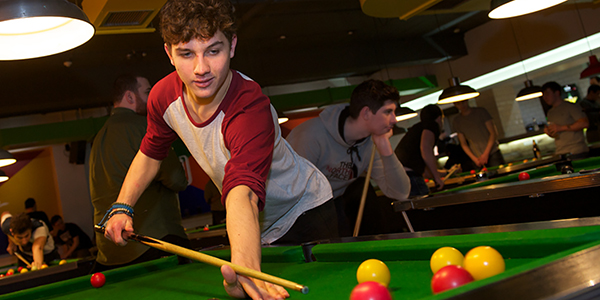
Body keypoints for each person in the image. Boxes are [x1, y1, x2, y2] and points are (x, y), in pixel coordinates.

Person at [101, 1, 333, 299]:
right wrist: (123, 205)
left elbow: (243, 190)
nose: (201, 69)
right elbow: (150, 152)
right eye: (186, 53)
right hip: (251, 223)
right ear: (169, 53)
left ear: (232, 45)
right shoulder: (162, 97)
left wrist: (246, 269)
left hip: (302, 209)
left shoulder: (249, 106)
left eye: (213, 50)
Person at [89, 74, 191, 271]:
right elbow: (177, 180)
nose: (152, 96)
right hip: (154, 242)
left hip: (110, 255)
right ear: (130, 97)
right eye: (147, 91)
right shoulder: (146, 127)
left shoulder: (98, 137)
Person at [286, 79, 411, 236]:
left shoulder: (371, 142)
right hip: (296, 212)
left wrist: (385, 146)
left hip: (334, 204)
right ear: (366, 113)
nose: (394, 120)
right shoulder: (310, 135)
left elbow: (399, 193)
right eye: (388, 112)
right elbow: (292, 191)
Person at [395, 105, 445, 196]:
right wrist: (437, 178)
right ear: (439, 118)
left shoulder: (417, 128)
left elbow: (425, 171)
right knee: (425, 206)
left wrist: (441, 173)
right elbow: (426, 149)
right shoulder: (432, 125)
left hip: (398, 176)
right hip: (410, 176)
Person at [542, 81, 589, 157]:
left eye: (547, 94)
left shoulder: (571, 106)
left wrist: (560, 128)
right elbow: (556, 133)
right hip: (561, 152)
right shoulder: (550, 113)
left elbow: (584, 123)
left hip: (577, 151)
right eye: (543, 95)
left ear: (557, 93)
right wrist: (550, 132)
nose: (545, 98)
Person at [452, 100, 505, 168]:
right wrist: (474, 159)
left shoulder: (481, 112)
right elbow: (463, 144)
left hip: (493, 153)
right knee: (482, 178)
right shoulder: (457, 121)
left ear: (467, 100)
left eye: (463, 102)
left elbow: (493, 133)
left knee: (499, 174)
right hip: (476, 157)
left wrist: (485, 154)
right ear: (454, 105)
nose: (462, 105)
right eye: (458, 103)